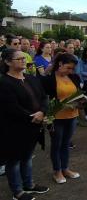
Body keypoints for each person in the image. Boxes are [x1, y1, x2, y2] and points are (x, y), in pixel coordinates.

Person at [0, 49, 49, 200]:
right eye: (19, 58)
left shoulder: (31, 78)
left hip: (34, 126)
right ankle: (18, 192)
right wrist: (31, 117)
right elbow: (11, 107)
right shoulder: (4, 82)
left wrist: (42, 112)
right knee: (14, 160)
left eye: (24, 58)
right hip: (15, 128)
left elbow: (43, 97)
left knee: (27, 157)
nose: (23, 60)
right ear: (8, 62)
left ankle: (29, 184)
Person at [42, 53, 81, 184]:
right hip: (57, 117)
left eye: (72, 69)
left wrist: (81, 103)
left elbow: (78, 93)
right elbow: (44, 99)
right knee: (56, 144)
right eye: (68, 68)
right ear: (60, 64)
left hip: (72, 116)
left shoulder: (74, 77)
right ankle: (57, 171)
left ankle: (65, 168)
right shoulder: (49, 80)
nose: (70, 71)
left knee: (66, 143)